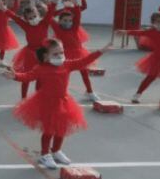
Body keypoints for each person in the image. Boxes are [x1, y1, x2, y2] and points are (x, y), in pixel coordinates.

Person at [8, 38, 109, 169]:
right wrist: (15, 76)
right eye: (55, 54)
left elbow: (84, 61)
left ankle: (56, 151)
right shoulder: (41, 68)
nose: (60, 56)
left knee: (61, 128)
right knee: (49, 130)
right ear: (45, 56)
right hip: (47, 103)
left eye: (61, 52)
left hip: (63, 102)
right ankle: (45, 154)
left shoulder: (67, 65)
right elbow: (28, 76)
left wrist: (100, 51)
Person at [52, 0, 98, 101]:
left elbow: (80, 13)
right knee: (63, 73)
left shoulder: (74, 23)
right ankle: (60, 92)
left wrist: (79, 0)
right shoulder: (60, 21)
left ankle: (90, 92)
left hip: (76, 46)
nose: (68, 21)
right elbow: (52, 15)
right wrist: (54, 1)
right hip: (65, 50)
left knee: (84, 72)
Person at [8, 0, 56, 98]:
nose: (33, 19)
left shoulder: (44, 23)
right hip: (30, 54)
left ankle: (38, 97)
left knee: (41, 77)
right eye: (30, 18)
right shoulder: (26, 26)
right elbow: (15, 18)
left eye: (34, 16)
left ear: (38, 14)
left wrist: (54, 1)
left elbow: (50, 12)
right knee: (26, 77)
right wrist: (5, 10)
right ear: (26, 20)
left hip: (43, 54)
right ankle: (23, 98)